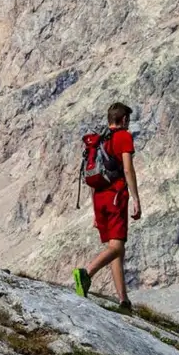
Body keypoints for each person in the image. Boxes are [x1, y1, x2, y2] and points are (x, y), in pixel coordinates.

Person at [73, 102, 141, 311]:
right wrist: (136, 198)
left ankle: (123, 300)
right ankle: (86, 273)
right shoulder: (123, 137)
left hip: (100, 198)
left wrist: (95, 211)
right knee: (117, 246)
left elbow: (94, 175)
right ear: (124, 120)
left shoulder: (100, 139)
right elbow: (128, 169)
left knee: (115, 249)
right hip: (116, 196)